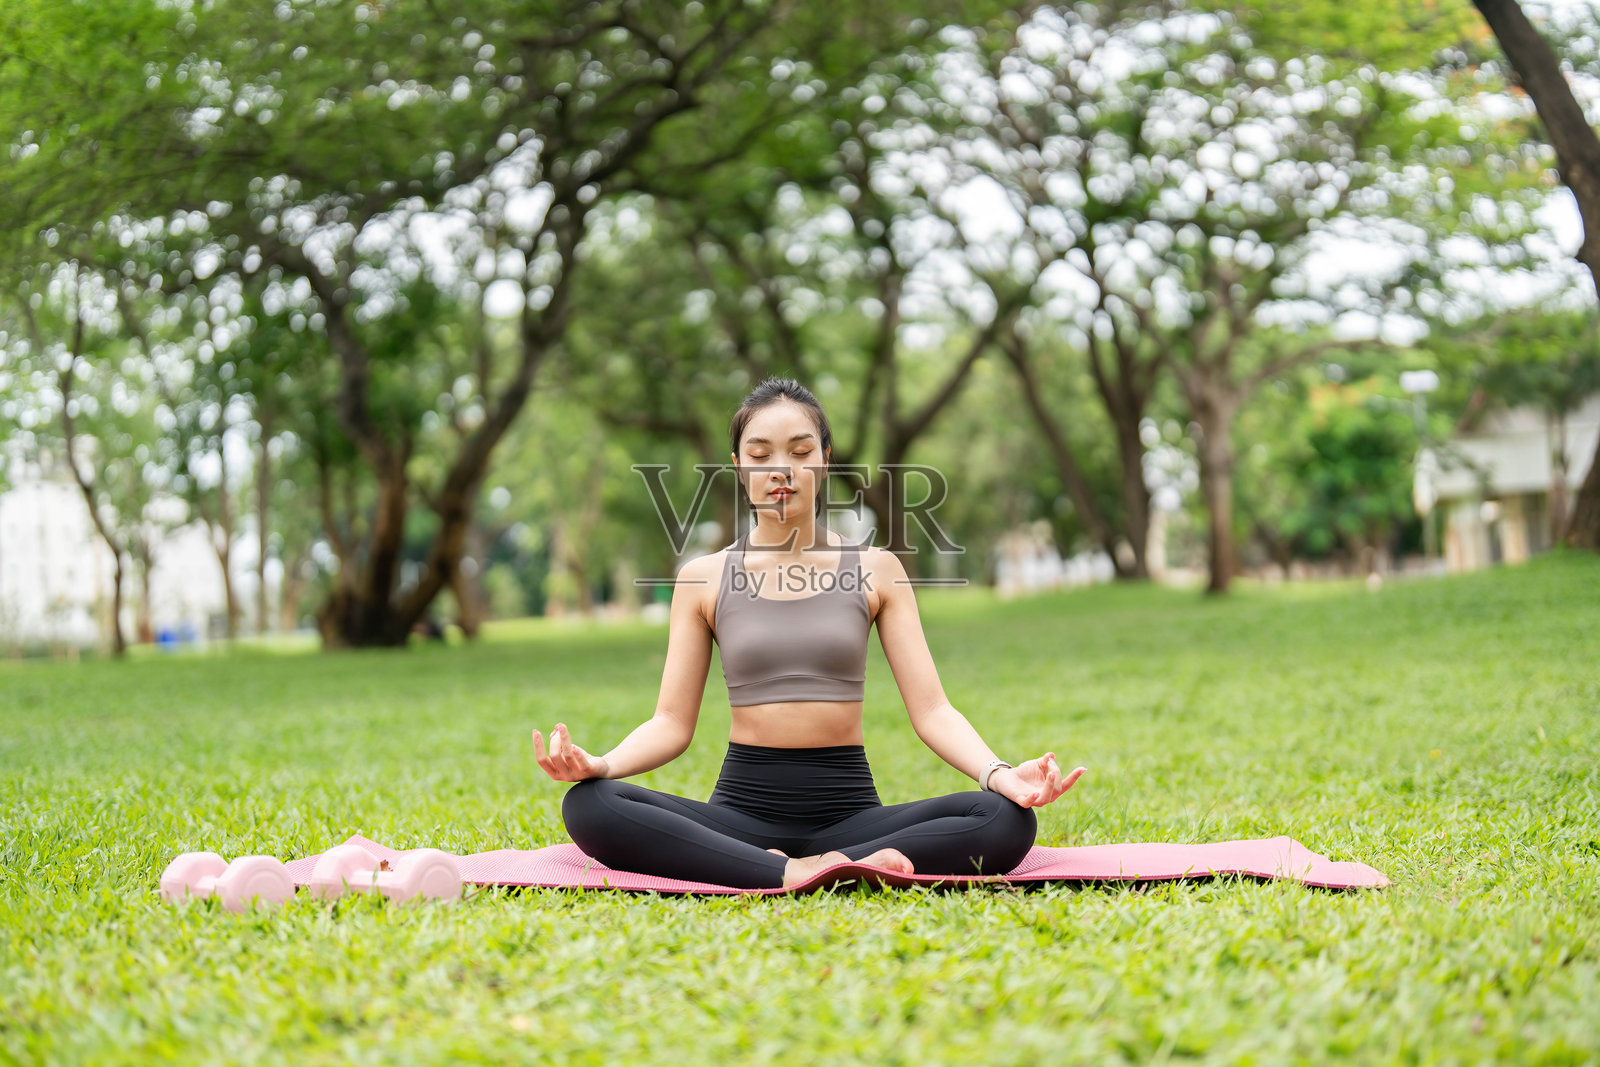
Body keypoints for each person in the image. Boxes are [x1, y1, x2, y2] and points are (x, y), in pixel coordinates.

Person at [532, 377, 1085, 889]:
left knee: (1004, 820)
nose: (781, 469)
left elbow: (933, 712)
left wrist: (1000, 774)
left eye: (800, 452)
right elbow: (671, 723)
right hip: (737, 817)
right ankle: (800, 870)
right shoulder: (702, 579)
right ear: (737, 467)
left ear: (825, 461)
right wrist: (599, 764)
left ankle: (805, 867)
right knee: (589, 805)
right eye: (760, 455)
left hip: (855, 816)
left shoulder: (877, 570)